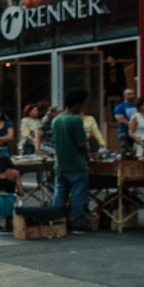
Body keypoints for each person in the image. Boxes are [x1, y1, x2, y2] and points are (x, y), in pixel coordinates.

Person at [52, 89, 92, 234]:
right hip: (76, 163)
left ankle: (58, 220)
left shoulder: (56, 120)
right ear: (76, 104)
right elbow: (81, 144)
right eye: (82, 105)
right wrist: (88, 156)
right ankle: (77, 222)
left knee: (60, 194)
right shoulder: (76, 120)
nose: (82, 108)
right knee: (78, 195)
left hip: (60, 163)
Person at [114, 88, 138, 155]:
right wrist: (133, 126)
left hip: (137, 133)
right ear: (124, 96)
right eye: (129, 94)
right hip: (125, 133)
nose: (131, 95)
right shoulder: (120, 107)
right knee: (127, 152)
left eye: (132, 94)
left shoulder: (137, 106)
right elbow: (121, 119)